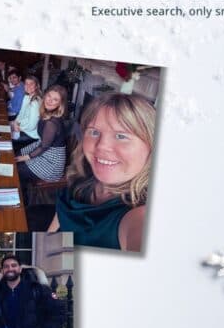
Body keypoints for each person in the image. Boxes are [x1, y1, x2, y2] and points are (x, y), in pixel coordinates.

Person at [49, 93, 155, 252]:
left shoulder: (139, 217)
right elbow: (60, 217)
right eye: (94, 132)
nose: (101, 146)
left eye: (121, 136)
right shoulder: (82, 178)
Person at [15, 84, 68, 183]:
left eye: (55, 99)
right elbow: (42, 142)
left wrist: (25, 157)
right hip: (44, 151)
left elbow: (44, 147)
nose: (50, 101)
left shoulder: (51, 122)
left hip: (52, 163)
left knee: (16, 169)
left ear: (60, 104)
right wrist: (23, 154)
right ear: (45, 96)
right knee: (16, 154)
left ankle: (22, 190)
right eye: (49, 96)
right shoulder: (47, 113)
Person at [12, 75, 42, 146]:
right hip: (23, 128)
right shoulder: (27, 97)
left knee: (8, 140)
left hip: (31, 135)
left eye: (31, 84)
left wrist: (18, 127)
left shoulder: (35, 102)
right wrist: (15, 122)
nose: (28, 86)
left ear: (36, 86)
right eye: (26, 83)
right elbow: (21, 113)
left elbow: (32, 126)